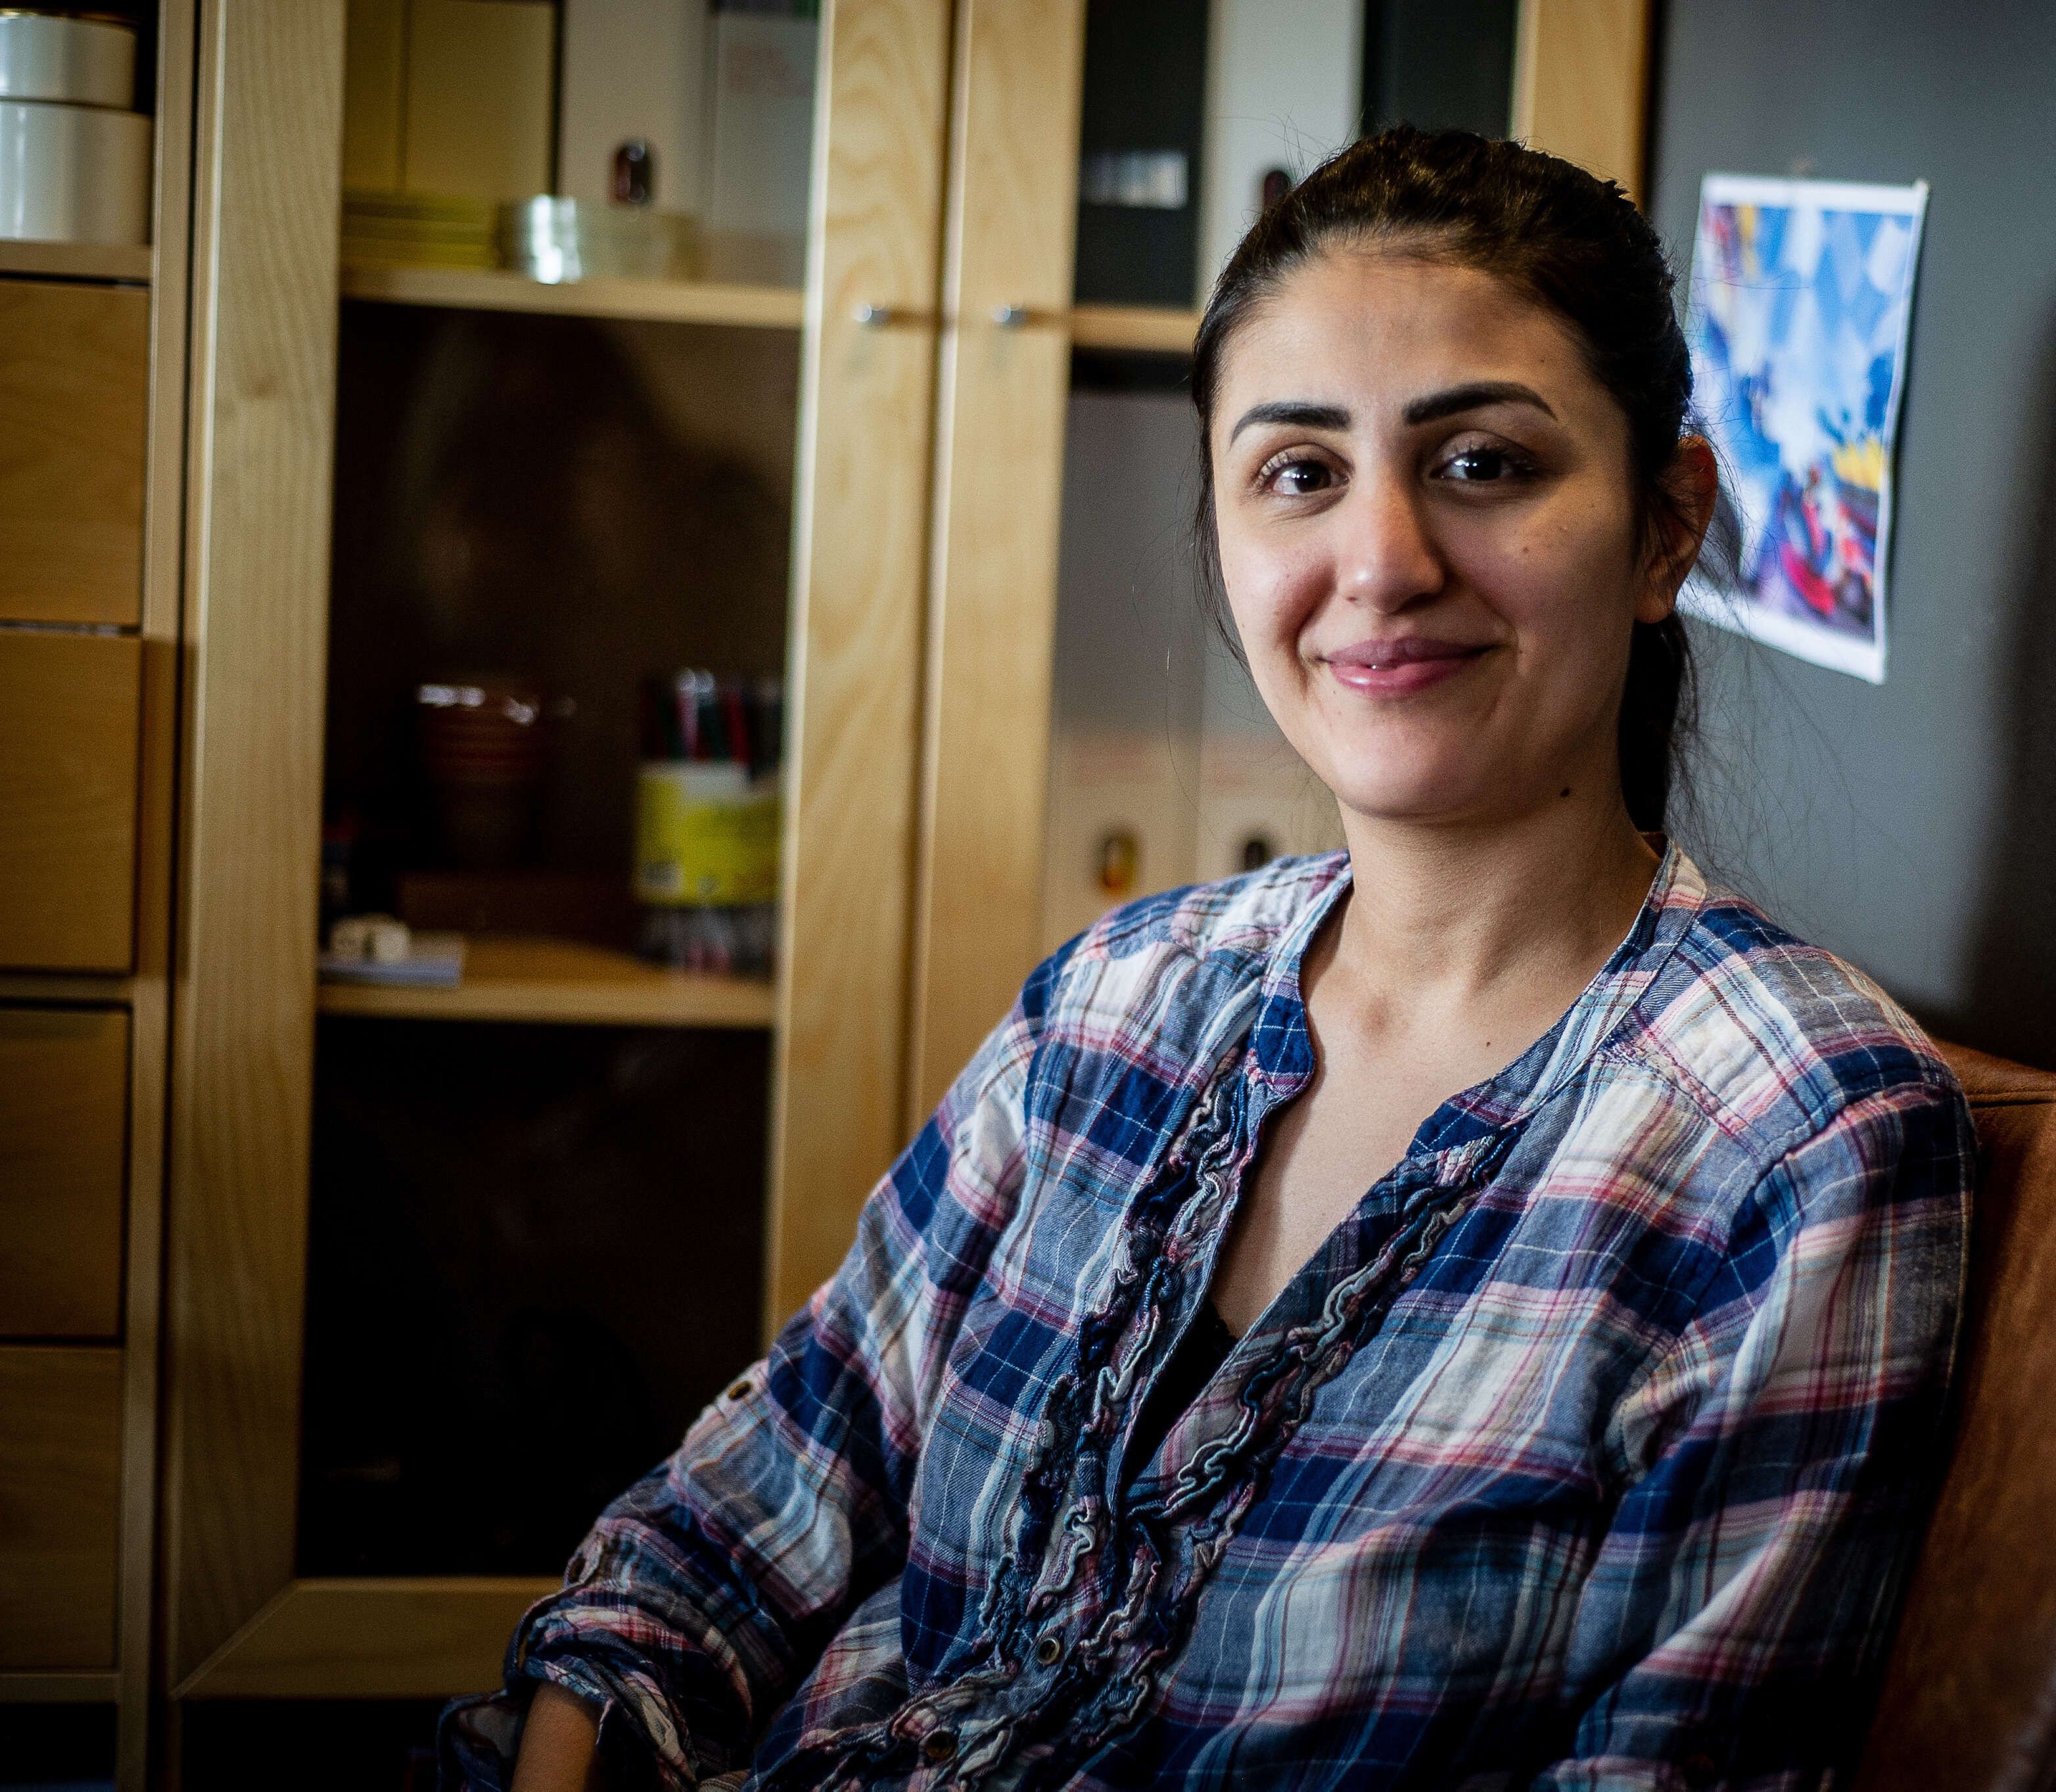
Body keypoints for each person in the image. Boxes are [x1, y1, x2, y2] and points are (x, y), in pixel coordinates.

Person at [446, 127, 1971, 1792]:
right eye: (1298, 472)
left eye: (1480, 461)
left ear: (1666, 526)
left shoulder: (1796, 1141)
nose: (1378, 562)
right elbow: (737, 1510)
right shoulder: (1118, 999)